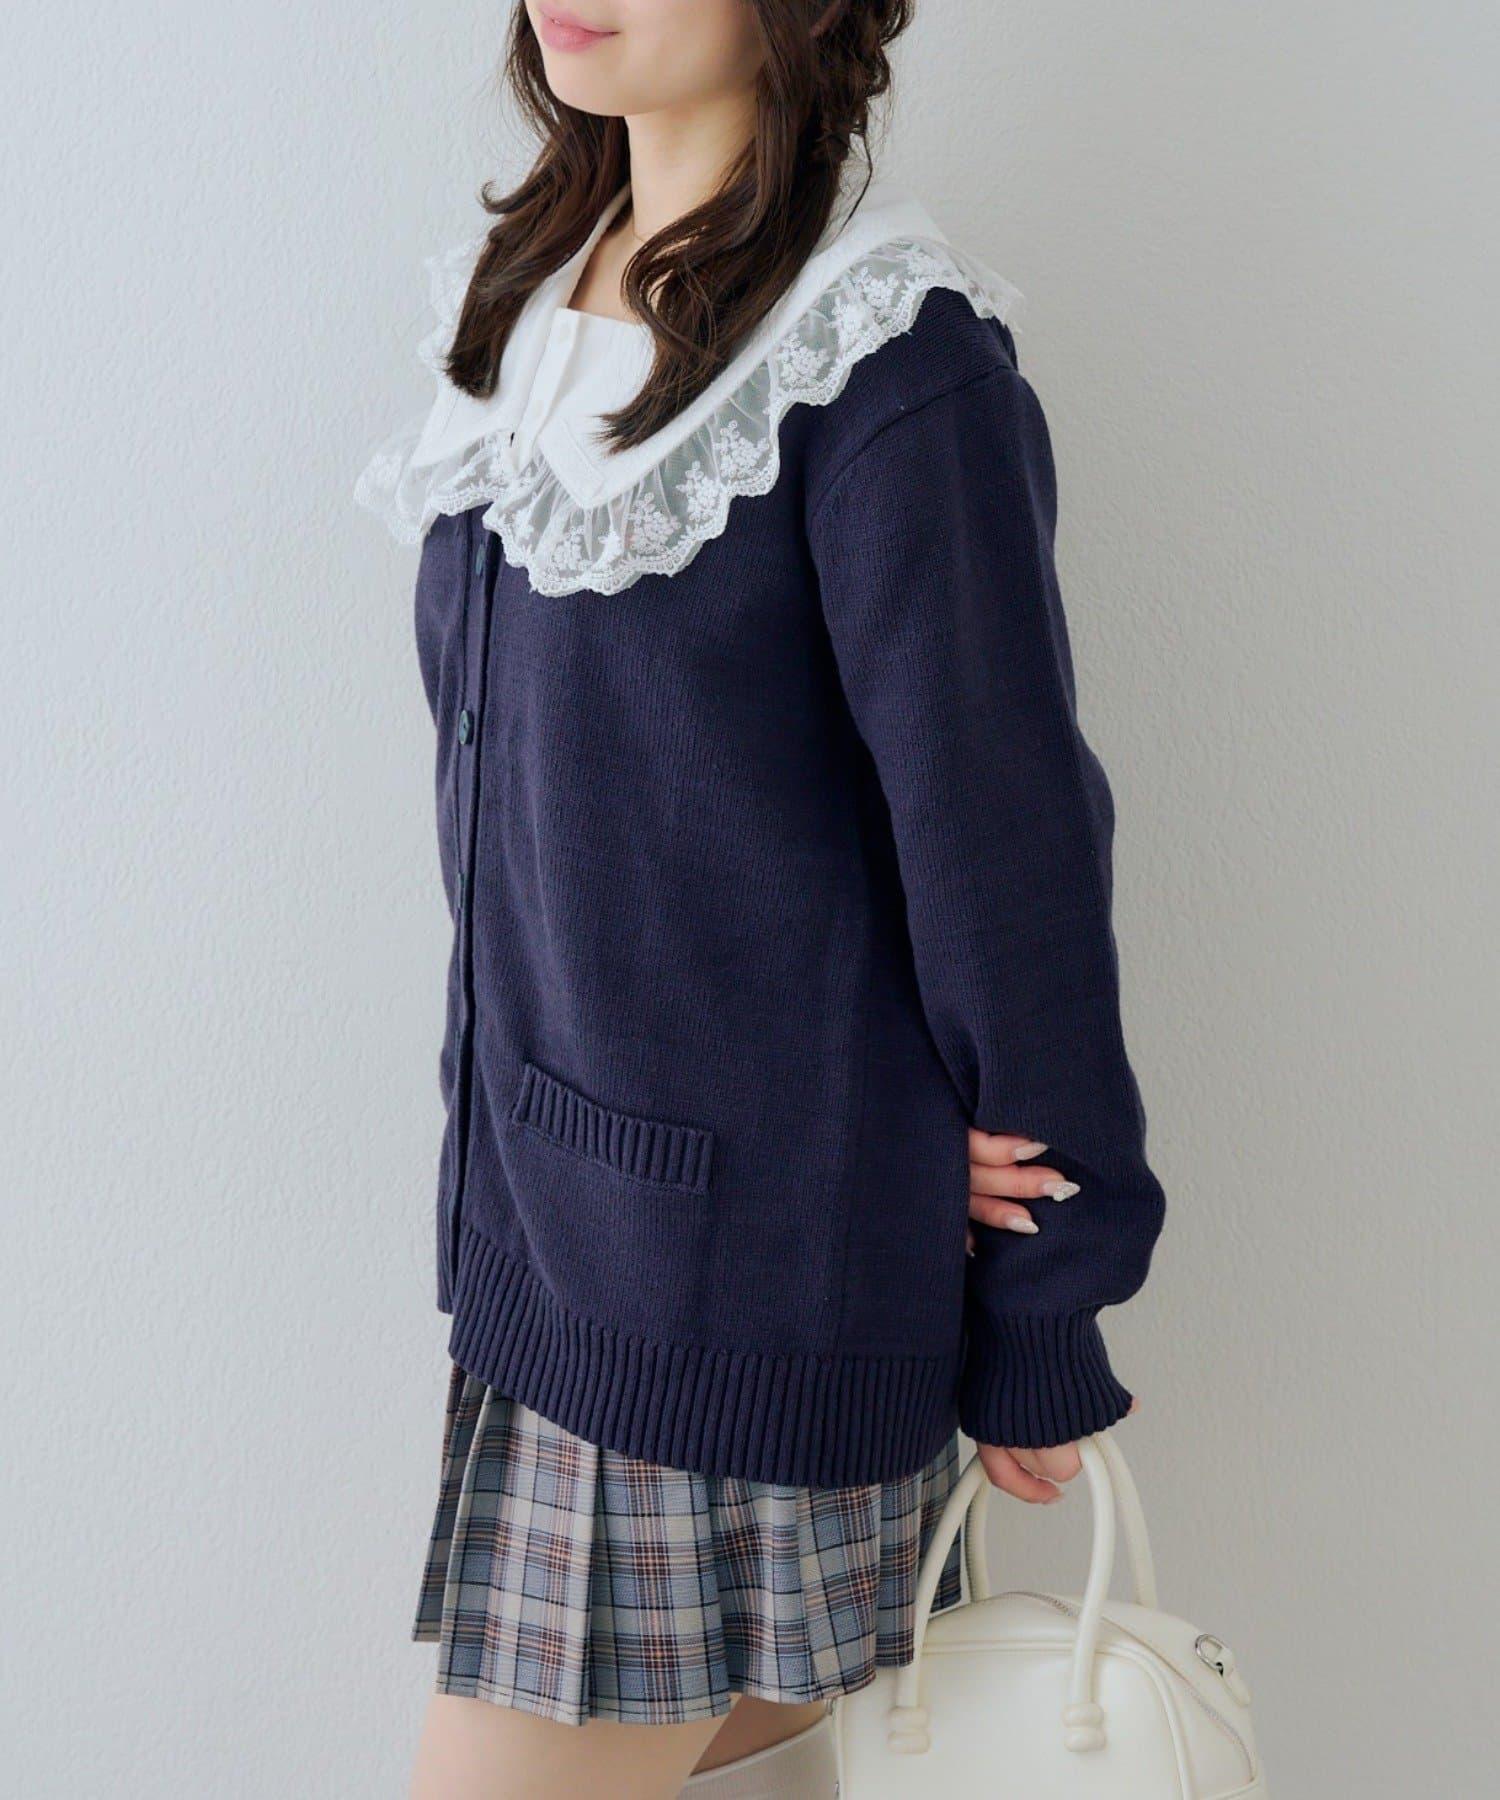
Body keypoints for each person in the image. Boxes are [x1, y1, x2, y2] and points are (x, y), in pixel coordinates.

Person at [356, 3, 1165, 1793]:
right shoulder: (534, 291)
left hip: (730, 1299)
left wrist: (1047, 1300)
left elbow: (1009, 857)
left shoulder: (885, 358)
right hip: (560, 1256)